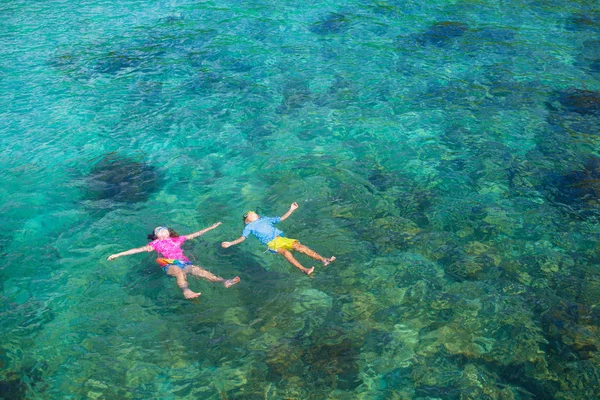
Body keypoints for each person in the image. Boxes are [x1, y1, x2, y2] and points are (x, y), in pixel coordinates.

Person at [107, 223, 240, 299]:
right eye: (159, 231)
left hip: (184, 262)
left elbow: (195, 234)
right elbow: (136, 250)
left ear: (169, 233)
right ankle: (186, 291)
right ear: (155, 236)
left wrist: (212, 227)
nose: (163, 232)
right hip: (169, 264)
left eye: (165, 230)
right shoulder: (155, 244)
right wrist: (118, 254)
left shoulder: (178, 239)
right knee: (178, 271)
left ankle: (224, 281)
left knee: (199, 271)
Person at [221, 202, 335, 275]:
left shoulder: (265, 219)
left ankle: (323, 259)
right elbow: (242, 238)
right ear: (247, 220)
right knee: (285, 253)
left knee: (299, 246)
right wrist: (231, 243)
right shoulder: (249, 227)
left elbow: (281, 218)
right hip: (271, 244)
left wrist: (291, 209)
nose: (251, 212)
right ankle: (304, 269)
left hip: (281, 238)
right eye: (248, 213)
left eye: (252, 211)